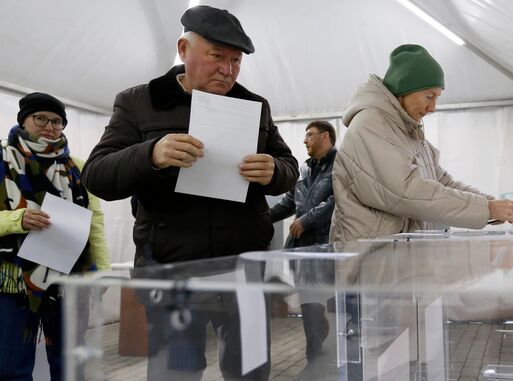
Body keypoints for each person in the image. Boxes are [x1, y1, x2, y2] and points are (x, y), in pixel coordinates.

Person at [81, 5, 298, 381]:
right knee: (175, 374)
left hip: (242, 270)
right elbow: (97, 175)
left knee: (251, 371)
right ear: (184, 50)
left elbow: (288, 167)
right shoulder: (138, 101)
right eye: (217, 57)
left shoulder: (254, 105)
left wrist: (274, 170)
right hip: (172, 272)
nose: (227, 70)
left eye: (235, 61)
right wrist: (150, 153)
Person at [330, 44, 513, 242]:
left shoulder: (406, 131)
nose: (432, 107)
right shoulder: (370, 125)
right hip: (369, 258)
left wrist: (488, 204)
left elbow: (440, 181)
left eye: (437, 98)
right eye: (429, 96)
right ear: (403, 88)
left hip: (397, 257)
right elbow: (407, 191)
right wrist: (485, 209)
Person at [0, 92, 109, 381]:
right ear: (23, 119)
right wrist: (17, 219)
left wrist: (103, 271)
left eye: (58, 121)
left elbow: (94, 222)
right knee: (12, 366)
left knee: (70, 364)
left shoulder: (77, 166)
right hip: (13, 280)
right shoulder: (3, 160)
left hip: (68, 278)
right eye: (41, 118)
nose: (50, 126)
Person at [269, 120, 336, 362]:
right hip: (299, 247)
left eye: (310, 134)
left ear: (325, 137)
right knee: (308, 300)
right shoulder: (304, 170)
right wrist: (262, 219)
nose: (305, 139)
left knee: (322, 298)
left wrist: (306, 220)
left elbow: (336, 201)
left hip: (325, 246)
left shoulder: (341, 166)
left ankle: (322, 351)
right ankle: (314, 352)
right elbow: (289, 202)